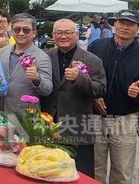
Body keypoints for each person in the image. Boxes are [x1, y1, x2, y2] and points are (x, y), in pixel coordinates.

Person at [88, 9, 139, 184]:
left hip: (124, 119)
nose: (125, 27)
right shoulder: (97, 46)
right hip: (96, 117)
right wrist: (94, 96)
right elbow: (84, 74)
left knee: (122, 171)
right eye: (122, 22)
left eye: (130, 24)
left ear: (137, 28)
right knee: (95, 169)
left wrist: (138, 93)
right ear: (114, 24)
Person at [40, 19, 106, 177]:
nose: (63, 36)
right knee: (49, 172)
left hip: (78, 127)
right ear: (53, 35)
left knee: (80, 174)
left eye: (68, 32)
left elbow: (100, 89)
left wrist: (80, 78)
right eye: (59, 32)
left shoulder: (92, 60)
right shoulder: (45, 57)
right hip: (50, 125)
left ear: (77, 35)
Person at [0, 13, 53, 113]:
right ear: (12, 32)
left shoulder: (41, 57)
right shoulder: (2, 52)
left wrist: (37, 78)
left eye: (26, 30)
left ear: (34, 33)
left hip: (25, 117)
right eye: (17, 29)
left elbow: (47, 89)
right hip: (0, 113)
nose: (21, 33)